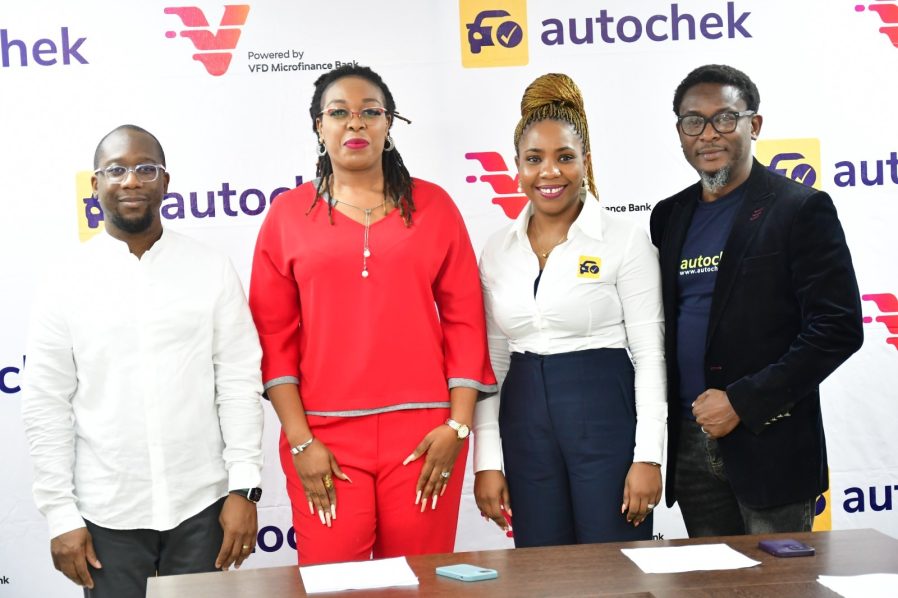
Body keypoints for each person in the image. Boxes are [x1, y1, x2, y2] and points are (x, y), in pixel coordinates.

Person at [248, 64, 496, 565]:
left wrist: (457, 427)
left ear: (389, 123)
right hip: (323, 438)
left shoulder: (435, 206)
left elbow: (466, 323)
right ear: (319, 126)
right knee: (334, 585)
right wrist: (300, 442)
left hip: (425, 436)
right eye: (339, 112)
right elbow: (273, 340)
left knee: (422, 583)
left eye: (370, 112)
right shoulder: (287, 216)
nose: (355, 123)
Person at [21, 125, 265, 597]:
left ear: (165, 182)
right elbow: (45, 403)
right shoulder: (65, 280)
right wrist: (60, 514)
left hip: (203, 507)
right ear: (95, 184)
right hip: (106, 513)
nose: (131, 180)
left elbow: (238, 382)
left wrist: (243, 488)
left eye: (145, 169)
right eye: (116, 170)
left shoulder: (210, 268)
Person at [650, 64, 864, 537]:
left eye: (725, 118)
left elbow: (838, 328)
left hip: (772, 442)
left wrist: (743, 402)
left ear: (754, 125)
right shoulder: (669, 216)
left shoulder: (800, 208)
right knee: (712, 577)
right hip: (690, 445)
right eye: (693, 121)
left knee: (780, 577)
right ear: (680, 132)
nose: (708, 134)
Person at [474, 73, 667, 547]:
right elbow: (492, 363)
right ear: (517, 167)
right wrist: (487, 462)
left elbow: (649, 356)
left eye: (564, 157)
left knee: (614, 559)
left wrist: (649, 456)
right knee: (541, 562)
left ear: (586, 161)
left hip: (604, 409)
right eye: (534, 159)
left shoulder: (624, 240)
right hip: (524, 418)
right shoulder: (497, 249)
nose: (550, 172)